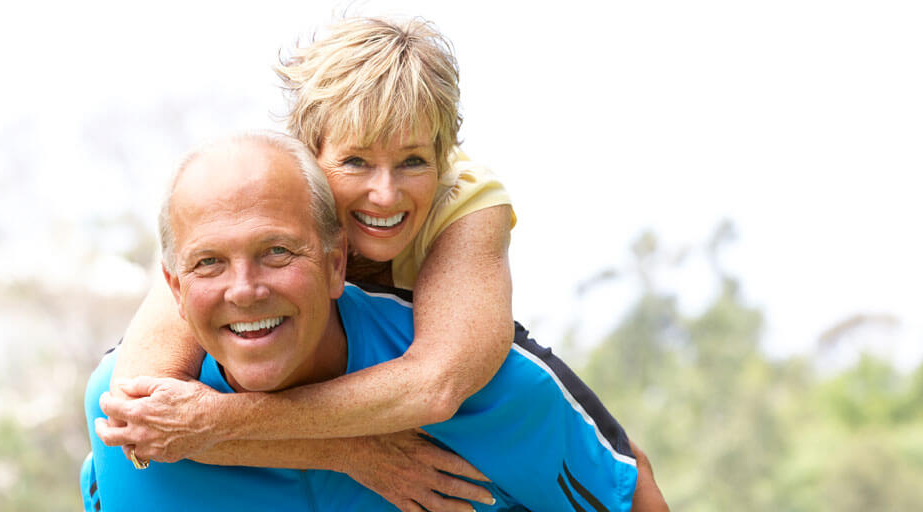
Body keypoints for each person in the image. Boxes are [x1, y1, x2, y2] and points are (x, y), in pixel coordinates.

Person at [82, 132, 667, 511]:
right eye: (210, 263)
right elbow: (141, 420)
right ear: (175, 289)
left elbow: (624, 486)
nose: (245, 288)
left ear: (337, 263)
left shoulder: (490, 390)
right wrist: (347, 449)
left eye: (278, 252)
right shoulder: (134, 416)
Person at [100, 16, 518, 507]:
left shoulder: (465, 201)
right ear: (311, 153)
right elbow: (141, 408)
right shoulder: (269, 199)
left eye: (411, 161)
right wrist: (349, 453)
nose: (384, 195)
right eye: (356, 161)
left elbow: (436, 384)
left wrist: (216, 420)